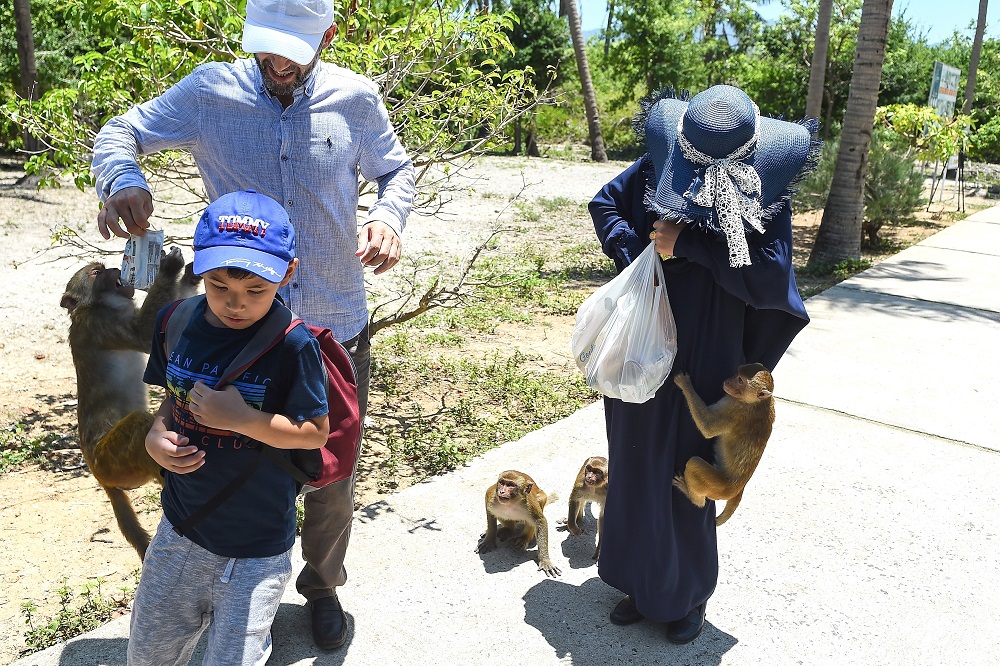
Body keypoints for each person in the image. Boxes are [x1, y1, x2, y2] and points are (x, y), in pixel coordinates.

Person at [90, 0, 415, 650]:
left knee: (329, 476)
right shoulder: (210, 91)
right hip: (234, 333)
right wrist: (122, 177)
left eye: (294, 48)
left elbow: (394, 170)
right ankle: (228, 603)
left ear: (327, 34)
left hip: (331, 329)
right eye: (266, 45)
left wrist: (389, 217)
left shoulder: (356, 99)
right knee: (220, 460)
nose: (277, 62)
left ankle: (321, 587)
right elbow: (120, 130)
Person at [589, 85, 818, 644]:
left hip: (712, 349)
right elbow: (605, 205)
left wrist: (688, 246)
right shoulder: (662, 161)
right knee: (638, 459)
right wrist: (638, 254)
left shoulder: (763, 189)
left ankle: (685, 595)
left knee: (686, 470)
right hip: (644, 338)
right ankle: (637, 584)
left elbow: (771, 276)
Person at [132, 190, 330, 665]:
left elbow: (315, 432)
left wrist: (243, 418)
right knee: (151, 651)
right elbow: (170, 401)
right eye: (218, 286)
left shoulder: (293, 345)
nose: (234, 303)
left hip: (257, 545)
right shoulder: (175, 321)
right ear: (199, 268)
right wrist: (154, 437)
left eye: (255, 291)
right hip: (181, 529)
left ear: (286, 273)